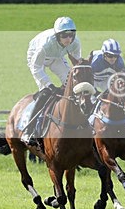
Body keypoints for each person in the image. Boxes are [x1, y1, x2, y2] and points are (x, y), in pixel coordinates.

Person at [22, 16, 82, 145]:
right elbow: (36, 67)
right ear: (57, 35)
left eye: (71, 35)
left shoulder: (75, 43)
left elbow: (76, 65)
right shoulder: (46, 44)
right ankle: (29, 131)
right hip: (37, 60)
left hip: (57, 58)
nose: (68, 39)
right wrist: (49, 85)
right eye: (65, 36)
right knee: (45, 92)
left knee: (72, 87)